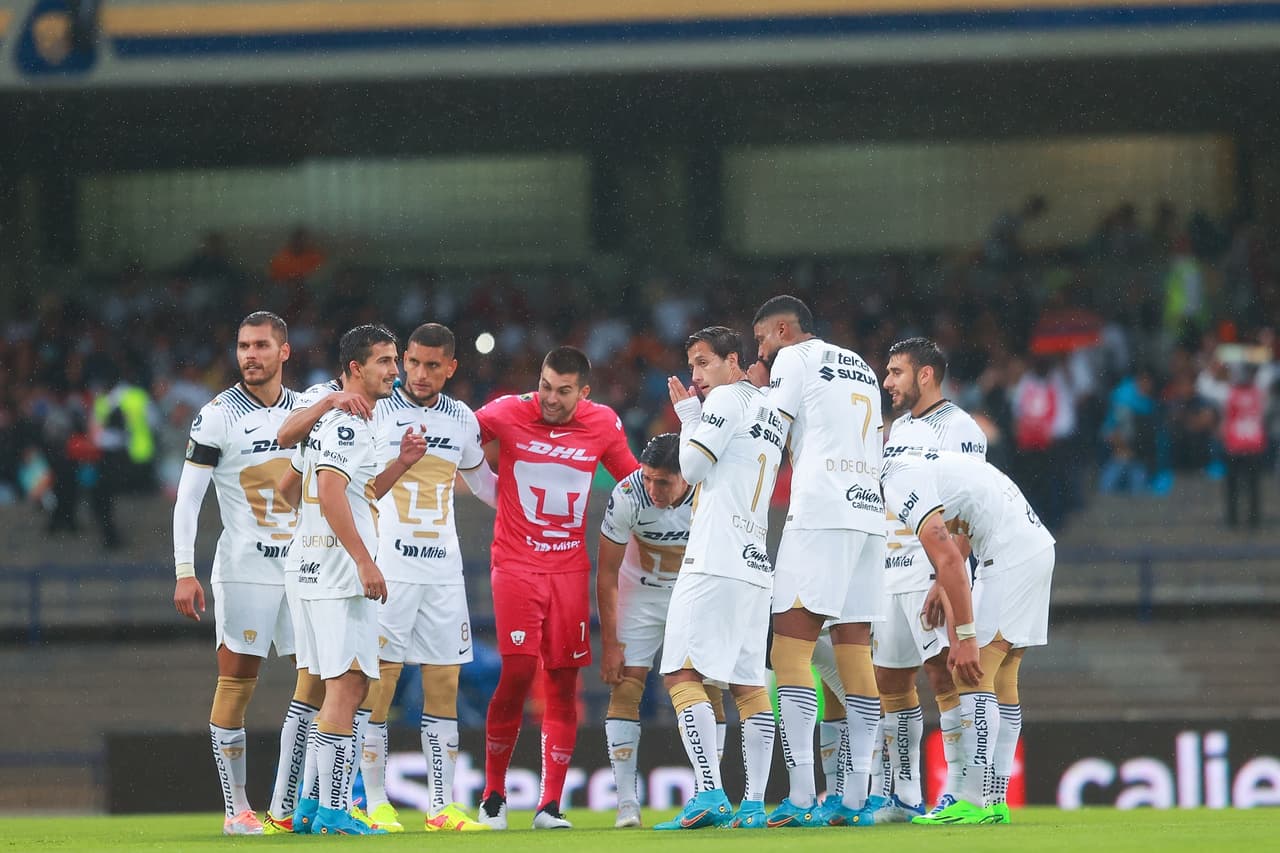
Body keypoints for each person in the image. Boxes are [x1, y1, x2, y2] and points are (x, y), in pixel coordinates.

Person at [474, 346, 638, 830]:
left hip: (569, 570)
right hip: (516, 564)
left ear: (583, 392)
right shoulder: (507, 411)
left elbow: (632, 481)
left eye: (563, 391)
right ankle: (494, 797)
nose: (550, 398)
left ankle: (548, 805)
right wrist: (481, 485)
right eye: (545, 385)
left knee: (565, 681)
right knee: (519, 673)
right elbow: (456, 440)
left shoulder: (602, 423)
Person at [746, 296, 885, 827]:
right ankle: (855, 799)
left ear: (783, 329)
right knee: (854, 654)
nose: (759, 349)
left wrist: (754, 388)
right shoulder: (863, 368)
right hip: (868, 514)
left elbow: (768, 430)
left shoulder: (792, 360)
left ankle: (802, 794)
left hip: (821, 510)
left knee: (789, 653)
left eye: (761, 339)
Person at [361, 323, 498, 832]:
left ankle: (442, 806)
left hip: (443, 571)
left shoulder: (462, 418)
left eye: (432, 365)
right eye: (412, 363)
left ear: (451, 367)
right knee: (380, 682)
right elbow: (360, 490)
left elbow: (483, 483)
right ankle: (373, 802)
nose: (419, 373)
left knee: (444, 682)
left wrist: (532, 505)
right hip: (389, 568)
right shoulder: (375, 411)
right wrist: (400, 460)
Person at [172, 311, 305, 836]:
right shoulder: (216, 416)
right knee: (237, 683)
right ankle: (237, 810)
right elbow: (188, 500)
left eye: (261, 345)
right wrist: (186, 570)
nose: (250, 355)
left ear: (284, 352)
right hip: (245, 569)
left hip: (304, 570)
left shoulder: (308, 411)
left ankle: (295, 803)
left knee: (320, 681)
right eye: (243, 345)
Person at [880, 445, 1054, 826]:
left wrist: (965, 637)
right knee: (1003, 677)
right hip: (1034, 545)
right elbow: (962, 530)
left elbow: (950, 559)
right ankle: (994, 800)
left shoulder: (893, 477)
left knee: (969, 672)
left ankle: (970, 799)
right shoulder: (923, 464)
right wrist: (941, 589)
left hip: (1008, 556)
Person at [292, 324, 422, 836]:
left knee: (343, 686)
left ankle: (310, 806)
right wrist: (365, 561)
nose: (396, 370)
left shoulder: (355, 421)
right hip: (337, 573)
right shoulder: (346, 424)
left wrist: (402, 464)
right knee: (350, 686)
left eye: (395, 360)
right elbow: (329, 494)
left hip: (318, 569)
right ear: (354, 369)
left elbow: (359, 492)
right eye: (386, 361)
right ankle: (332, 810)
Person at [655, 326, 784, 831]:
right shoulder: (769, 407)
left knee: (682, 672)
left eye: (704, 362)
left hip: (714, 558)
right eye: (692, 366)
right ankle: (753, 802)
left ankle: (710, 791)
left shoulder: (726, 399)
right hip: (755, 562)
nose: (696, 376)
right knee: (748, 683)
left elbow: (691, 466)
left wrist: (689, 415)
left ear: (734, 361)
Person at [871, 338, 988, 824]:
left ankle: (963, 789)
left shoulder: (960, 427)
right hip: (888, 568)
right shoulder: (898, 427)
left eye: (896, 372)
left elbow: (968, 503)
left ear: (925, 375)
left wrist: (948, 575)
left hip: (928, 567)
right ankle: (902, 796)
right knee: (890, 681)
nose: (887, 382)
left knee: (944, 673)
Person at [596, 432, 708, 829]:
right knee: (626, 688)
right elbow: (606, 573)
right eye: (648, 478)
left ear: (686, 476)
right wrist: (610, 643)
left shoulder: (708, 487)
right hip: (640, 595)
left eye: (663, 481)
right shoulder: (628, 494)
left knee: (706, 690)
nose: (653, 489)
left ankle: (706, 793)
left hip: (691, 593)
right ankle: (627, 804)